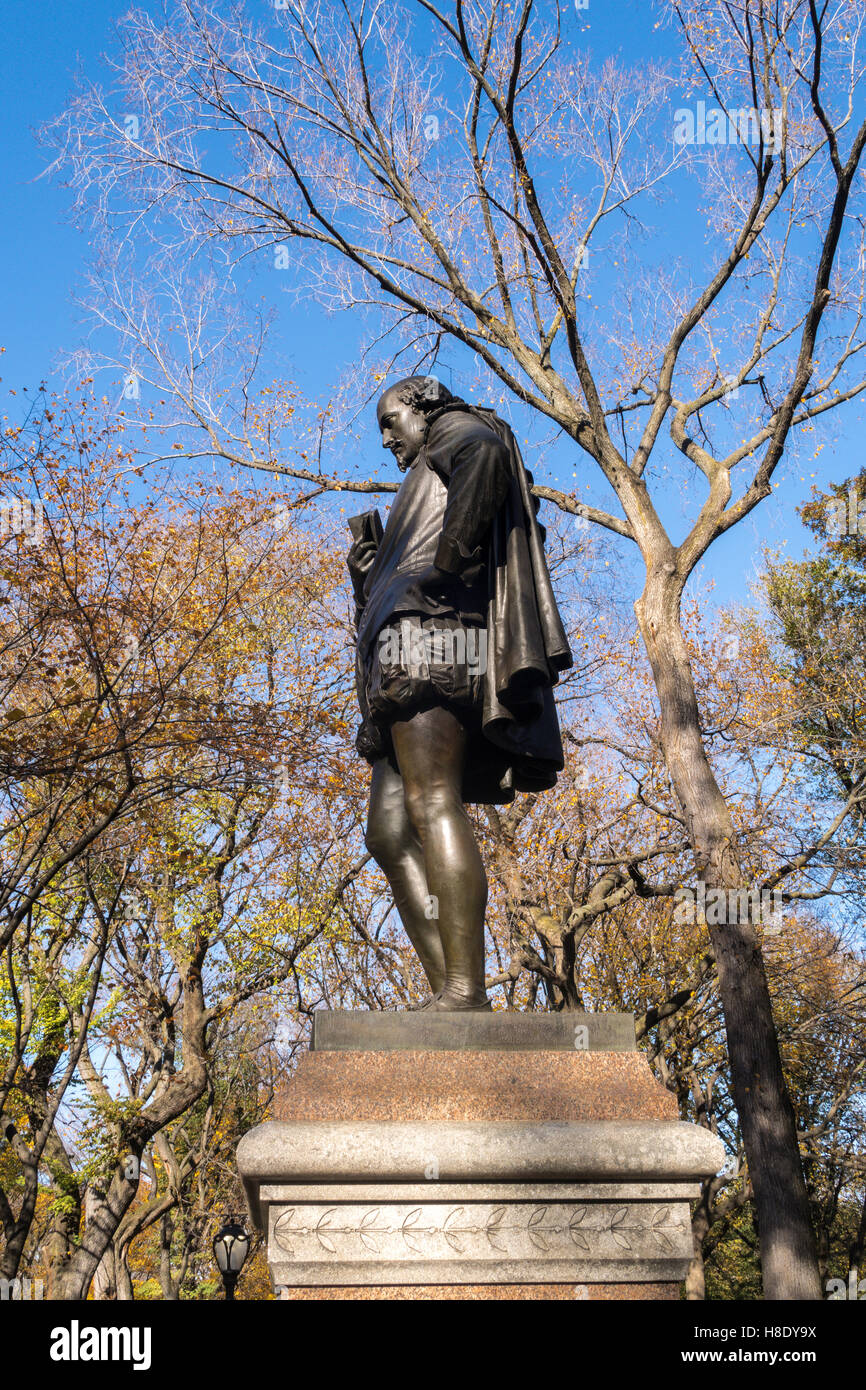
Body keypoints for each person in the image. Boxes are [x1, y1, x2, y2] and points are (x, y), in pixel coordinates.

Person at [348, 376, 572, 1011]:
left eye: (391, 419)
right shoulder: (423, 474)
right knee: (388, 834)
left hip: (433, 642)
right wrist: (373, 570)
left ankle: (466, 992)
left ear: (423, 407)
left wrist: (444, 566)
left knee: (433, 801)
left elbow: (485, 455)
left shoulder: (457, 430)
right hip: (405, 649)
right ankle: (451, 985)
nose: (387, 435)